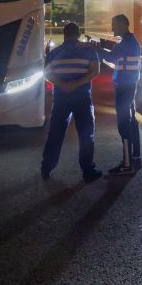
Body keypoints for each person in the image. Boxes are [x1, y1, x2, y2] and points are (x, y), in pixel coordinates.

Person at [41, 23, 103, 182]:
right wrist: (77, 83)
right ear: (78, 34)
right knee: (86, 134)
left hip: (61, 98)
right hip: (82, 97)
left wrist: (63, 84)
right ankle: (88, 170)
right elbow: (95, 71)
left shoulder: (53, 53)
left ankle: (47, 167)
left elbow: (46, 73)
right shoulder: (88, 50)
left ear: (64, 35)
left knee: (55, 133)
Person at [97, 14, 142, 175]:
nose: (112, 28)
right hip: (129, 85)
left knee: (123, 123)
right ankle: (135, 155)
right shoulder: (131, 42)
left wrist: (96, 49)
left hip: (124, 87)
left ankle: (127, 164)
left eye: (114, 25)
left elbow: (110, 57)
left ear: (123, 24)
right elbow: (115, 57)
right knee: (131, 121)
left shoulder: (127, 43)